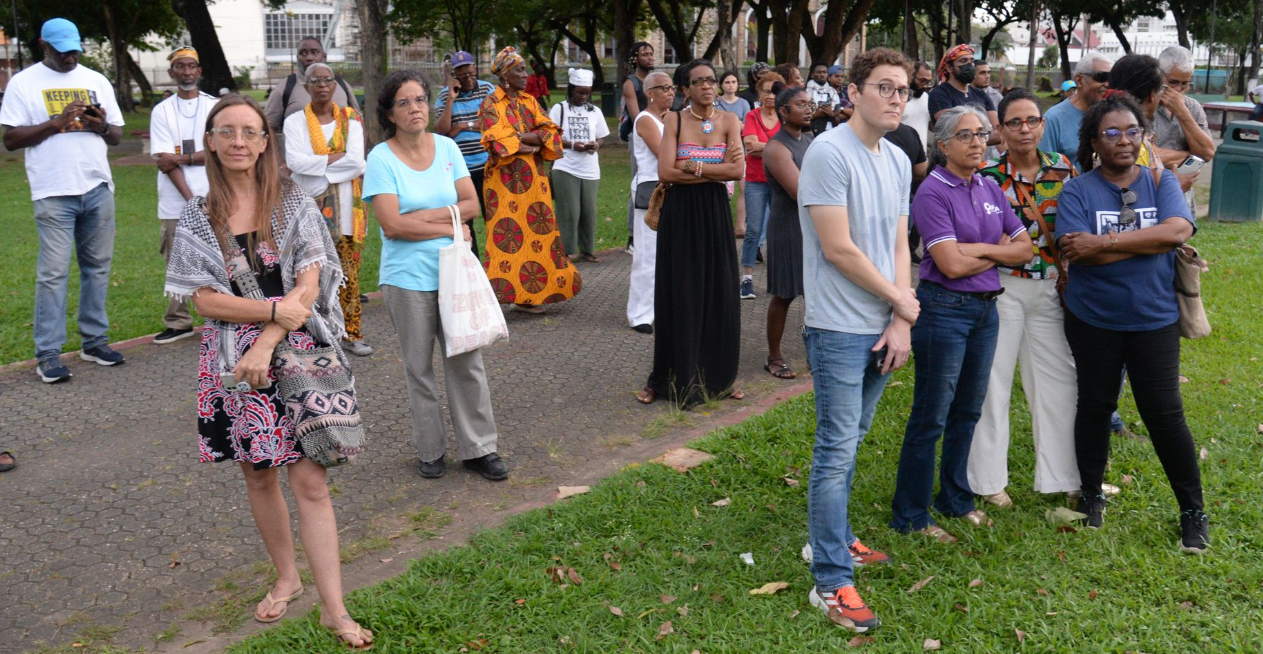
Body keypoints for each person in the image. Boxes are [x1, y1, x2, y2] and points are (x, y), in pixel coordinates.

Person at [163, 94, 373, 650]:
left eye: (249, 132)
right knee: (259, 472)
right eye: (226, 131)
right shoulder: (196, 215)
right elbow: (203, 300)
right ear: (209, 141)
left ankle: (334, 608)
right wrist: (272, 314)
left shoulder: (293, 203)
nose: (238, 141)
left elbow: (309, 285)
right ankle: (286, 576)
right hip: (234, 364)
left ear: (264, 143)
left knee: (310, 479)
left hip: (300, 358)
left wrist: (271, 336)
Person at [1055, 93, 1209, 553]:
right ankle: (1091, 495)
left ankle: (1192, 512)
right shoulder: (1077, 190)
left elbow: (1177, 232)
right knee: (1095, 406)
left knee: (1164, 415)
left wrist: (1104, 242)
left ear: (1145, 138)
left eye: (1133, 132)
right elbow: (1074, 251)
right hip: (1093, 318)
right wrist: (1147, 241)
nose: (1124, 141)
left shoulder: (1160, 181)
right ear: (1094, 142)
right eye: (1112, 133)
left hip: (1153, 319)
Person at [797, 47, 916, 634]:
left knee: (854, 438)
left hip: (883, 325)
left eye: (903, 90)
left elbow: (899, 246)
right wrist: (900, 300)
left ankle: (832, 538)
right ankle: (830, 580)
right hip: (838, 328)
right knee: (836, 448)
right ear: (854, 92)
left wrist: (901, 317)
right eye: (886, 88)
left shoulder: (895, 158)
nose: (897, 98)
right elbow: (837, 248)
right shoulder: (827, 152)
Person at [889, 105, 1033, 542]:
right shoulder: (932, 192)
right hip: (944, 311)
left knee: (968, 411)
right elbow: (948, 265)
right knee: (931, 415)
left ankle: (955, 499)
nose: (978, 142)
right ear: (943, 144)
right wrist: (993, 250)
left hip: (986, 311)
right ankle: (911, 515)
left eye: (982, 134)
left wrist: (975, 250)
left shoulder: (989, 186)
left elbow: (1026, 249)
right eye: (967, 135)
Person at [362, 69, 509, 483]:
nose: (415, 108)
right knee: (418, 368)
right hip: (406, 278)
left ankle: (481, 448)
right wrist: (448, 224)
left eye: (420, 100)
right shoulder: (381, 158)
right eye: (404, 103)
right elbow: (392, 226)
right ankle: (430, 450)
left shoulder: (447, 147)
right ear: (389, 113)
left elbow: (472, 205)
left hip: (454, 273)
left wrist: (424, 217)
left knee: (467, 362)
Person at [968, 89, 1088, 509]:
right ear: (1000, 129)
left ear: (1042, 124)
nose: (1024, 129)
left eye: (1032, 120)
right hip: (1002, 286)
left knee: (1059, 382)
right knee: (992, 382)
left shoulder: (1063, 168)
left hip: (1052, 287)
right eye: (1014, 122)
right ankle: (987, 481)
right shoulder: (985, 175)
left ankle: (1063, 476)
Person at [1, 18, 126, 383]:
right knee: (53, 275)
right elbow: (10, 139)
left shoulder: (95, 80)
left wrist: (99, 125)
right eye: (62, 51)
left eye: (74, 51)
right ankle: (49, 353)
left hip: (97, 188)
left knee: (97, 268)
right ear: (44, 46)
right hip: (53, 192)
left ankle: (94, 341)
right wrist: (56, 123)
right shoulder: (24, 83)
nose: (70, 57)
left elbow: (116, 135)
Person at [636, 59, 745, 408]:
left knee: (718, 291)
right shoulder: (674, 120)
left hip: (714, 213)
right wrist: (715, 168)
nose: (707, 86)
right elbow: (666, 171)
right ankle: (669, 379)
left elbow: (738, 170)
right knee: (680, 292)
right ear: (685, 89)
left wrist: (694, 165)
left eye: (711, 80)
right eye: (698, 81)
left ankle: (718, 378)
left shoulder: (730, 120)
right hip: (680, 215)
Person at [479, 47, 578, 314]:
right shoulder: (490, 104)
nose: (526, 75)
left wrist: (522, 138)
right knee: (507, 237)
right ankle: (506, 294)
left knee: (538, 234)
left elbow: (551, 132)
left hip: (534, 179)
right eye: (519, 70)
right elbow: (496, 139)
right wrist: (529, 138)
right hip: (502, 183)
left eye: (525, 70)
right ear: (504, 75)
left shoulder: (530, 101)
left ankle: (532, 296)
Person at [284, 62, 372, 357]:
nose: (322, 85)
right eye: (315, 81)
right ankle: (316, 336)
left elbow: (358, 163)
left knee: (349, 275)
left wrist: (318, 171)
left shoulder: (351, 121)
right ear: (305, 86)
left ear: (335, 85)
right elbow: (295, 163)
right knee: (312, 277)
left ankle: (353, 334)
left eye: (327, 80)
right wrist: (337, 160)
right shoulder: (294, 122)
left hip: (348, 212)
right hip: (309, 211)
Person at [151, 46, 218, 345]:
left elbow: (220, 150)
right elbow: (164, 162)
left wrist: (183, 158)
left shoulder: (214, 107)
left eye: (192, 66)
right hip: (176, 201)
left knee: (221, 258)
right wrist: (192, 200)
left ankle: (223, 314)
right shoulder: (162, 111)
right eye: (181, 67)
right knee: (176, 260)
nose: (187, 72)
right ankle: (178, 322)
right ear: (172, 73)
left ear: (200, 71)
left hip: (217, 197)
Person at [761, 84, 813, 380]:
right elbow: (799, 192)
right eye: (801, 104)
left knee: (814, 292)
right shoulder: (776, 147)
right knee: (784, 293)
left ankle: (814, 351)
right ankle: (774, 356)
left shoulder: (809, 139)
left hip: (812, 225)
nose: (808, 108)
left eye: (810, 103)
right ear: (784, 111)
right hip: (788, 227)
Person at [626, 71, 675, 334]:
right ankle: (640, 314)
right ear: (650, 93)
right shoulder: (645, 120)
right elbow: (665, 153)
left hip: (671, 188)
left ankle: (662, 307)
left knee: (668, 253)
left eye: (672, 87)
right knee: (647, 255)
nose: (671, 92)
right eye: (664, 88)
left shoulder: (668, 119)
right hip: (651, 191)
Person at [435, 50, 497, 254]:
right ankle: (472, 266)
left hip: (488, 165)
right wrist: (451, 99)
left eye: (471, 74)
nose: (468, 80)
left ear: (476, 69)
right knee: (464, 222)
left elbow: (492, 123)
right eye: (462, 77)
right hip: (460, 171)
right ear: (455, 76)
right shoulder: (445, 96)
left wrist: (462, 126)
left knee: (494, 218)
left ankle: (499, 264)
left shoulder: (488, 89)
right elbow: (442, 131)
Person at [549, 68, 609, 262]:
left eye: (587, 93)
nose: (584, 96)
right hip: (565, 166)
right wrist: (573, 145)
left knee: (588, 212)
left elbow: (601, 137)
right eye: (580, 92)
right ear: (571, 89)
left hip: (590, 168)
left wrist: (594, 146)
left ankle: (587, 251)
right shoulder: (560, 109)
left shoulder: (594, 111)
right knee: (569, 212)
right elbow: (552, 136)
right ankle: (565, 252)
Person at [263, 36, 360, 157]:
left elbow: (358, 123)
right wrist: (279, 162)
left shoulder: (341, 85)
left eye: (314, 52)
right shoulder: (285, 87)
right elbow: (267, 128)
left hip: (341, 167)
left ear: (324, 57)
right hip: (297, 169)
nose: (309, 57)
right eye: (303, 53)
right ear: (297, 58)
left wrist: (360, 158)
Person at [739, 72, 785, 300]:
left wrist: (764, 147)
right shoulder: (752, 116)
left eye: (774, 91)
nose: (770, 96)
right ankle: (746, 279)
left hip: (780, 182)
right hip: (756, 181)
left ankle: (779, 280)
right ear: (758, 93)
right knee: (754, 230)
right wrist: (778, 149)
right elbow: (750, 146)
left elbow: (792, 146)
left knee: (778, 232)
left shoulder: (785, 116)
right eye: (765, 91)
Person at [1154, 46, 1216, 212]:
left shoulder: (1192, 107)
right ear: (1158, 75)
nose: (1179, 89)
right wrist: (1191, 156)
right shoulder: (1143, 105)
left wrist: (1182, 112)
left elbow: (1207, 153)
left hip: (1183, 199)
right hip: (1151, 191)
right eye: (1173, 82)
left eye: (1186, 83)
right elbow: (1147, 156)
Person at [1039, 52, 1112, 171]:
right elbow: (1045, 171)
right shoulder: (1053, 120)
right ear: (1079, 80)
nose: (1108, 84)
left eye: (1111, 78)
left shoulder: (1113, 116)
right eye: (1102, 77)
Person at [927, 45, 1000, 147]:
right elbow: (953, 131)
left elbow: (999, 132)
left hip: (977, 159)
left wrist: (973, 138)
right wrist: (983, 136)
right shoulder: (939, 94)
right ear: (949, 68)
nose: (969, 65)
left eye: (972, 60)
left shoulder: (981, 94)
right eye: (963, 61)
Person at [621, 42, 654, 253]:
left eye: (651, 53)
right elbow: (637, 117)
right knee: (639, 182)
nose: (650, 57)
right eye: (645, 54)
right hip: (640, 136)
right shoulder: (631, 83)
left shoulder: (655, 81)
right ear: (635, 58)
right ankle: (632, 237)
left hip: (658, 134)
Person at [902, 61, 934, 157]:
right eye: (922, 80)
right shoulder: (898, 99)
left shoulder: (926, 98)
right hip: (900, 155)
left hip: (921, 158)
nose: (925, 85)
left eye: (928, 82)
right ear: (911, 76)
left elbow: (932, 127)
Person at [806, 61, 841, 136]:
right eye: (818, 72)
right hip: (809, 133)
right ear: (812, 75)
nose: (822, 75)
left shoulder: (833, 93)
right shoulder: (805, 93)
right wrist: (814, 115)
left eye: (824, 72)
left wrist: (832, 115)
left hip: (829, 133)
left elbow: (837, 120)